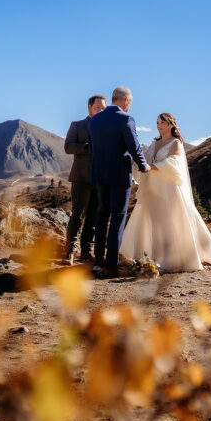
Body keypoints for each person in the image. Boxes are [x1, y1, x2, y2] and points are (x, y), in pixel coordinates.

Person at [120, 113, 211, 271]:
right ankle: (150, 258)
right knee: (152, 223)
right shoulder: (154, 142)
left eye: (162, 122)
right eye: (157, 123)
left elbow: (174, 164)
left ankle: (173, 259)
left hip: (168, 189)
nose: (158, 125)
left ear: (170, 124)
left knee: (169, 222)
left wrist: (152, 167)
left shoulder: (176, 143)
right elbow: (145, 159)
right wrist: (135, 163)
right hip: (152, 189)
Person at [88, 86, 153, 278]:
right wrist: (144, 166)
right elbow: (134, 146)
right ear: (125, 101)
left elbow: (92, 147)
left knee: (102, 215)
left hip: (100, 174)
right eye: (130, 102)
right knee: (117, 217)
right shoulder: (126, 119)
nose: (130, 106)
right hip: (118, 175)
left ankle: (98, 258)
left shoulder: (94, 120)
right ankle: (111, 265)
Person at [63, 94, 107, 264]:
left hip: (100, 179)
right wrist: (88, 147)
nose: (101, 110)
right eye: (98, 107)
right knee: (77, 215)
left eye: (103, 108)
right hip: (81, 178)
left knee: (93, 218)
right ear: (89, 108)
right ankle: (70, 252)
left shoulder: (107, 128)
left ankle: (86, 252)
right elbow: (68, 146)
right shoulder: (77, 125)